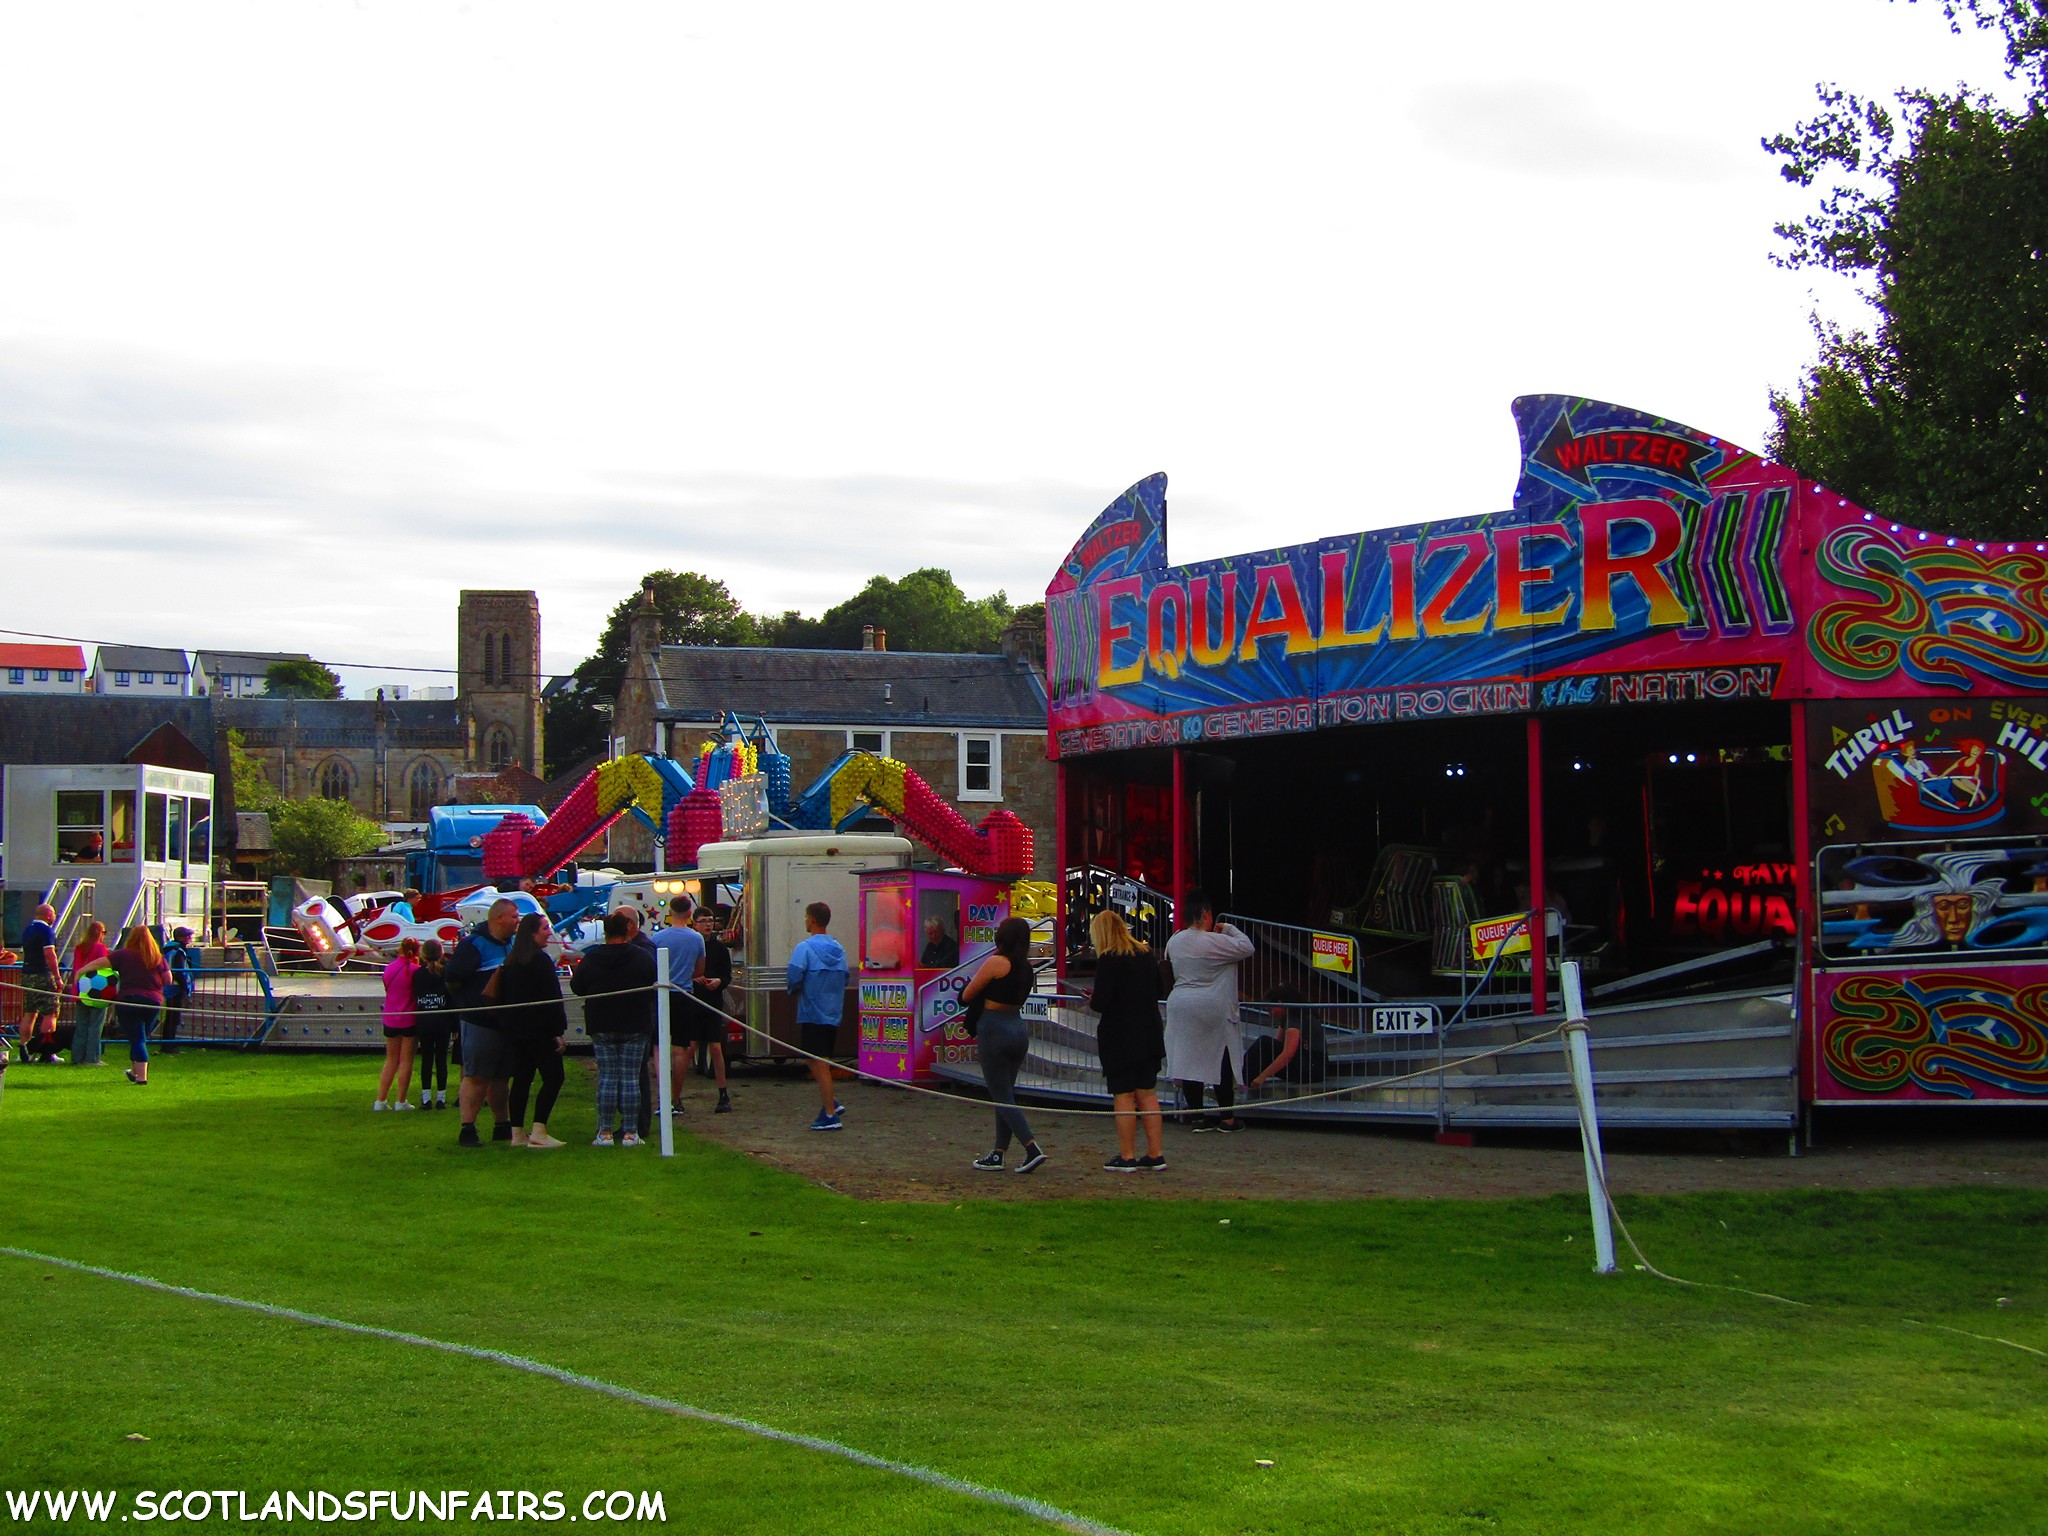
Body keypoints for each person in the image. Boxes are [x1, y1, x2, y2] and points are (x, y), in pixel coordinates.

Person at [959, 915, 1047, 1174]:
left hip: (994, 1028)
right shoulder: (1027, 967)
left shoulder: (996, 962)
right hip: (1017, 1028)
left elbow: (966, 996)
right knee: (1006, 1091)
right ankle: (999, 1152)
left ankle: (1031, 1147)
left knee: (1000, 1095)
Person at [1162, 891, 1255, 1132]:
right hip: (1211, 1005)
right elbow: (1247, 947)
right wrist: (1229, 928)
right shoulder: (1214, 941)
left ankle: (1197, 1116)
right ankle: (1227, 1118)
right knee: (1220, 1058)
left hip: (1180, 1003)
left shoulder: (1175, 941)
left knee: (1188, 1059)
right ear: (1205, 914)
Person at [1088, 909, 1165, 1172]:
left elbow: (1101, 1003)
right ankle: (1155, 1153)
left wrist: (1092, 998)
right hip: (1149, 1031)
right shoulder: (1145, 954)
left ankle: (1127, 1155)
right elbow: (1160, 989)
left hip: (1120, 1035)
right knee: (1147, 1093)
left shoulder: (1109, 959)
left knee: (1123, 1094)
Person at [572, 910, 658, 1146]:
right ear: (627, 929)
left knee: (608, 1078)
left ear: (606, 931)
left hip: (602, 1024)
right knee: (631, 1079)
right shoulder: (642, 957)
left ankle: (605, 1132)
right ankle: (631, 1133)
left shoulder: (592, 958)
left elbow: (577, 986)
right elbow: (655, 982)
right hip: (635, 1024)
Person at [443, 897, 520, 1146]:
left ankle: (501, 1125)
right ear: (499, 918)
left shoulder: (511, 944)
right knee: (476, 1076)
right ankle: (468, 1128)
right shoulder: (473, 945)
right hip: (479, 1022)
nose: (517, 921)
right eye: (514, 916)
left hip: (504, 1022)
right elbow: (453, 979)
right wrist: (471, 1003)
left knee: (501, 1077)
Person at [498, 913, 568, 1150]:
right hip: (539, 1030)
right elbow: (552, 998)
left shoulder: (511, 961)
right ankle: (539, 1129)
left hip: (516, 1030)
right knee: (554, 1076)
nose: (549, 932)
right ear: (532, 932)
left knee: (522, 1079)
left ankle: (517, 1132)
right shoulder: (540, 961)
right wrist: (558, 1030)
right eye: (545, 928)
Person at [786, 901, 849, 1131]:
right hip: (832, 1013)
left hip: (812, 1012)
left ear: (811, 919)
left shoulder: (805, 948)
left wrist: (794, 989)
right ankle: (830, 1100)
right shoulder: (838, 948)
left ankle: (830, 1114)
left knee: (819, 1063)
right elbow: (845, 977)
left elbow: (794, 975)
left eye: (805, 917)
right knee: (815, 1059)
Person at [651, 895, 707, 1116]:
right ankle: (676, 1096)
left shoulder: (657, 938)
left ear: (670, 911)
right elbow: (700, 970)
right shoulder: (696, 939)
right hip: (685, 993)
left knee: (659, 1047)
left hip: (663, 993)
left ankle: (663, 1097)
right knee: (681, 1048)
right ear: (689, 913)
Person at [109, 926, 170, 1085]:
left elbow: (100, 963)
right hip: (152, 1001)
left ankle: (142, 1078)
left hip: (129, 999)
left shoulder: (123, 954)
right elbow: (168, 980)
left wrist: (81, 971)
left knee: (137, 1039)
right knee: (140, 1037)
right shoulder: (158, 957)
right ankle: (135, 1072)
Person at [1243, 983, 1329, 1093]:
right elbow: (1277, 1045)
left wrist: (1262, 1076)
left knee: (1264, 1042)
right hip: (1308, 1063)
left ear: (1280, 1003)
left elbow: (1288, 1053)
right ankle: (1243, 1081)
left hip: (1314, 1067)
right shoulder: (1287, 1018)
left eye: (1270, 1010)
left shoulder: (1296, 1017)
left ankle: (1242, 1083)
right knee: (1264, 1046)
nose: (1270, 1014)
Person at [693, 906, 734, 1113]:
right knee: (689, 1046)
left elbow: (727, 976)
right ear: (695, 923)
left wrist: (719, 981)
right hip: (693, 1000)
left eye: (710, 921)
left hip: (713, 1001)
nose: (708, 924)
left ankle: (723, 1093)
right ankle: (674, 1098)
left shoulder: (719, 949)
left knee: (716, 1047)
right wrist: (694, 979)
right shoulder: (691, 945)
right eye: (703, 921)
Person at [374, 937, 422, 1111]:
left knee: (391, 1060)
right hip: (409, 1019)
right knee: (406, 1061)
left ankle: (380, 1100)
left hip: (390, 1017)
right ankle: (401, 1101)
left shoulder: (389, 969)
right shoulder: (416, 970)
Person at [410, 939, 454, 1109]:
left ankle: (426, 1098)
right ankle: (441, 1098)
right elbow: (451, 998)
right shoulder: (445, 973)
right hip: (443, 1020)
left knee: (427, 1059)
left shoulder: (418, 975)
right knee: (441, 1059)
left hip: (424, 1020)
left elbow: (415, 995)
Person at [17, 903, 62, 1064]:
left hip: (27, 975)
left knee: (30, 1013)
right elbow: (50, 954)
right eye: (54, 914)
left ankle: (24, 1049)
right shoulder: (46, 931)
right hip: (43, 974)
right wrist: (57, 976)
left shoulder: (27, 930)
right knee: (50, 1013)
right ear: (48, 915)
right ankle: (46, 1052)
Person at [68, 920, 112, 1067]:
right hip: (97, 989)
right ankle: (92, 1058)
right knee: (95, 1025)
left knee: (81, 1025)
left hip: (80, 989)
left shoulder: (79, 948)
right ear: (100, 933)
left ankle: (77, 1056)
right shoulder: (100, 948)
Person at [159, 926, 197, 1053]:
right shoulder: (178, 951)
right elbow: (179, 971)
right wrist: (185, 986)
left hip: (168, 985)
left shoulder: (168, 949)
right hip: (175, 987)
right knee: (174, 1018)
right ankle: (169, 1046)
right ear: (180, 938)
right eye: (188, 936)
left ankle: (167, 1044)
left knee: (170, 1016)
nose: (190, 939)